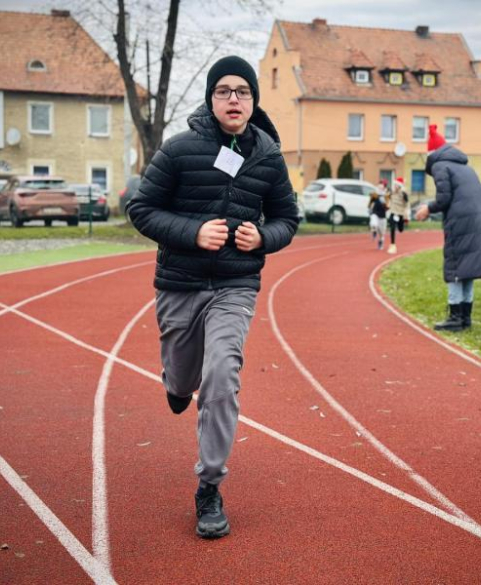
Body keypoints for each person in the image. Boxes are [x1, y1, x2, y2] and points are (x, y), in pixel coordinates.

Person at [127, 56, 299, 539]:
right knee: (184, 379)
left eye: (242, 91)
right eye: (223, 91)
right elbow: (140, 208)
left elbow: (288, 218)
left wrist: (263, 238)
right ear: (210, 98)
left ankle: (209, 486)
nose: (233, 99)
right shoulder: (180, 149)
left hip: (234, 285)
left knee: (222, 374)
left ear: (253, 100)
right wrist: (192, 232)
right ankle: (177, 386)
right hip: (180, 284)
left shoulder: (267, 156)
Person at [415, 124, 481, 331]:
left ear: (431, 153)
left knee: (455, 267)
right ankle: (465, 317)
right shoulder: (465, 166)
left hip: (461, 222)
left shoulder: (441, 166)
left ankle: (455, 317)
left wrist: (427, 208)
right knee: (467, 269)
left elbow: (444, 198)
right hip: (477, 221)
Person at [386, 177, 409, 254]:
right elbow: (387, 197)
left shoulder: (403, 193)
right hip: (393, 212)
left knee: (400, 229)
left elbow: (407, 204)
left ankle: (401, 226)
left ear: (400, 186)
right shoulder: (391, 192)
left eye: (397, 185)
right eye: (394, 185)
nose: (395, 186)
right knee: (392, 227)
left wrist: (406, 216)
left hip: (400, 214)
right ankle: (392, 245)